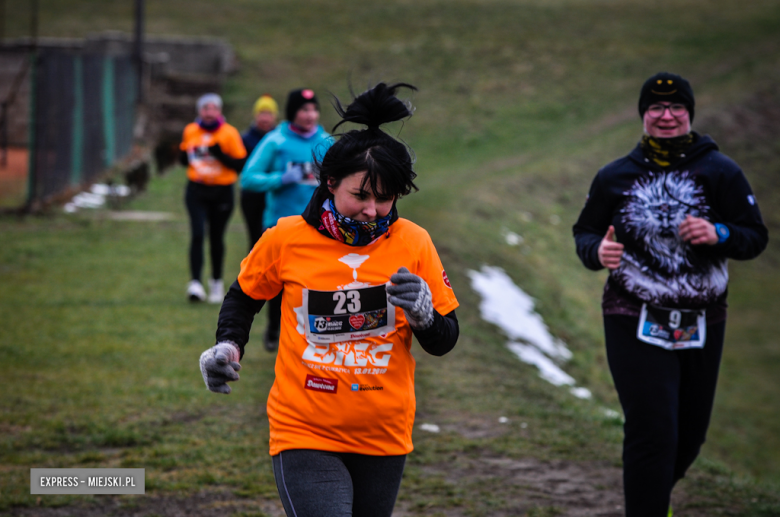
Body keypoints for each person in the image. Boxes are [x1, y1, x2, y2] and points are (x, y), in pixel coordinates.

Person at [199, 82, 460, 517]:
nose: (373, 210)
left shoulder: (414, 242)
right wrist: (227, 345)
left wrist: (423, 314)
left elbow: (445, 339)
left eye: (385, 198)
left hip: (385, 435)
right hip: (304, 430)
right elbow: (244, 297)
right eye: (361, 195)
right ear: (331, 181)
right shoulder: (285, 238)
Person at [573, 72, 768, 516]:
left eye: (675, 107)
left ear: (689, 114)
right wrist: (597, 250)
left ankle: (652, 495)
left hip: (702, 318)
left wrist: (719, 232)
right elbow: (584, 232)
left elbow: (754, 236)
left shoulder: (721, 172)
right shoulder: (615, 177)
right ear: (643, 115)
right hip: (631, 312)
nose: (666, 115)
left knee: (690, 434)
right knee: (652, 429)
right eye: (655, 107)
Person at [239, 88, 332, 351]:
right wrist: (280, 179)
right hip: (281, 226)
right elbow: (248, 178)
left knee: (315, 284)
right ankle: (273, 329)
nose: (310, 114)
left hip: (318, 227)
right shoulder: (275, 141)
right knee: (278, 284)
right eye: (304, 109)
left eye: (314, 109)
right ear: (293, 113)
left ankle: (312, 333)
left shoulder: (326, 143)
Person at [179, 93, 247, 303]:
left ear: (220, 111)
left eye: (213, 108)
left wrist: (219, 154)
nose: (209, 113)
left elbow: (240, 165)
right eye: (205, 108)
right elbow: (184, 159)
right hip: (196, 190)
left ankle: (216, 283)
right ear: (199, 111)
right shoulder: (191, 130)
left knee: (216, 237)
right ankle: (195, 284)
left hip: (222, 192)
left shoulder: (229, 133)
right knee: (197, 233)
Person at [240, 94, 279, 251]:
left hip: (274, 192)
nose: (265, 118)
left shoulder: (280, 139)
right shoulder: (245, 138)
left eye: (269, 114)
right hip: (252, 195)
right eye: (262, 113)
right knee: (255, 238)